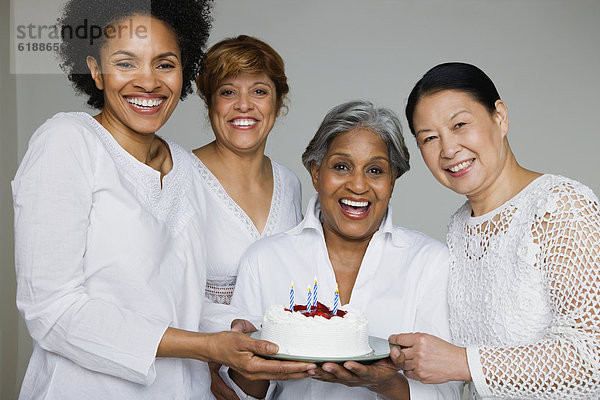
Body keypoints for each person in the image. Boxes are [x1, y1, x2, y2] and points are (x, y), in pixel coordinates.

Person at [12, 2, 313, 399]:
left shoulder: (184, 165)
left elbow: (180, 302)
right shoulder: (68, 142)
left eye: (165, 64)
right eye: (126, 63)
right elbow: (52, 313)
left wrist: (242, 330)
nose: (148, 81)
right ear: (96, 71)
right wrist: (205, 346)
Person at [224, 100, 463, 399]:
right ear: (315, 172)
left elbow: (448, 392)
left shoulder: (429, 262)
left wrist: (383, 382)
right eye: (341, 167)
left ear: (392, 181)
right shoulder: (265, 259)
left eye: (375, 170)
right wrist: (248, 362)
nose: (358, 185)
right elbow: (243, 393)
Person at [391, 62, 600, 399]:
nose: (448, 150)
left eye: (460, 124)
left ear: (500, 117)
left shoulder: (561, 205)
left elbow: (594, 357)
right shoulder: (459, 227)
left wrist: (463, 362)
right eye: (429, 138)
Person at [191, 35, 303, 399]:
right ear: (209, 102)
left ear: (278, 102)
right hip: (197, 374)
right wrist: (209, 361)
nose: (244, 106)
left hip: (273, 379)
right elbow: (154, 291)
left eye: (258, 91)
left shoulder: (290, 183)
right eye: (227, 92)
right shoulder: (179, 175)